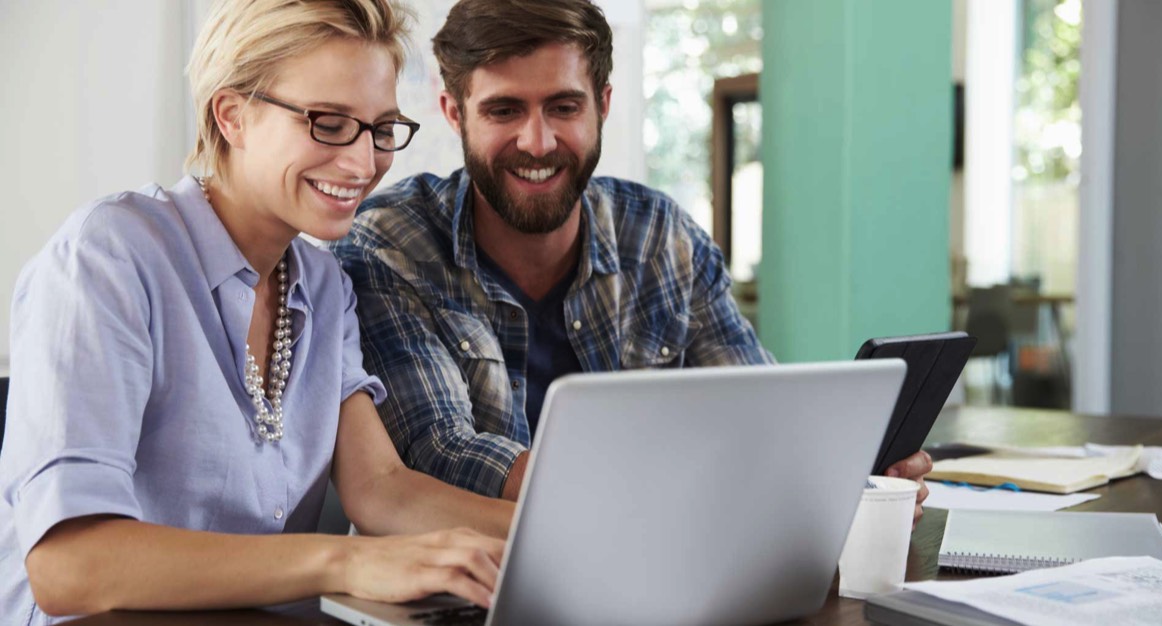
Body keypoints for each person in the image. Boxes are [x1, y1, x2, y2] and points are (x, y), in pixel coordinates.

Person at [0, 1, 515, 622]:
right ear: (233, 115)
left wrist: (562, 537)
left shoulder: (325, 284)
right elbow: (70, 566)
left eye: (381, 129)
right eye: (328, 122)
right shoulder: (109, 256)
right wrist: (346, 562)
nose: (362, 162)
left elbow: (382, 488)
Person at [331, 0, 933, 518]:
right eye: (504, 110)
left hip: (670, 566)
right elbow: (439, 453)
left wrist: (838, 479)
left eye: (564, 108)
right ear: (454, 113)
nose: (537, 142)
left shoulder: (660, 237)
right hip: (469, 583)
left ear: (603, 105)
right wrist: (665, 495)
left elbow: (754, 406)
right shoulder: (391, 244)